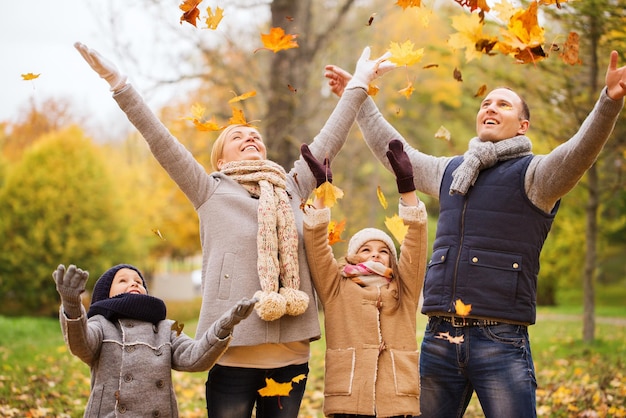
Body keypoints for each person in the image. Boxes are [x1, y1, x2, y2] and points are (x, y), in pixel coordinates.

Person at [74, 42, 395, 417]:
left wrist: (359, 81)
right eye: (236, 136)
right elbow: (160, 139)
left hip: (291, 354)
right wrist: (119, 83)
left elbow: (330, 140)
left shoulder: (290, 186)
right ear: (221, 159)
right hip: (230, 353)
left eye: (254, 135)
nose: (250, 138)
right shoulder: (208, 190)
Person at [323, 50, 626, 417]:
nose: (491, 108)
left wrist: (608, 102)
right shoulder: (450, 171)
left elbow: (577, 154)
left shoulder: (535, 176)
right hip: (439, 338)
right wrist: (358, 96)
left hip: (500, 340)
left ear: (523, 125)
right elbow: (396, 154)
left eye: (504, 104)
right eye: (486, 103)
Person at [300, 140, 428, 417]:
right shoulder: (336, 285)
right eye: (366, 249)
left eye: (384, 251)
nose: (375, 254)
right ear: (352, 256)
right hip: (349, 397)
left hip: (396, 399)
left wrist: (407, 188)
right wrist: (324, 191)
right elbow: (316, 244)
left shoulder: (403, 289)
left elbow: (416, 244)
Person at [53, 263, 256, 417]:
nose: (133, 282)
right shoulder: (101, 323)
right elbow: (81, 345)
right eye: (122, 280)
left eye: (138, 281)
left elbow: (195, 357)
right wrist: (72, 304)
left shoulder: (169, 326)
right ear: (105, 294)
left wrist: (225, 325)